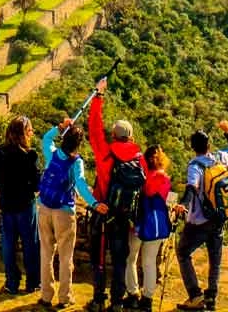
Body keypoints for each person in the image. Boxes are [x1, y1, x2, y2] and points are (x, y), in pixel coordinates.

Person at [87, 79, 147, 311]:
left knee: (99, 259)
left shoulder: (105, 153)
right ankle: (117, 302)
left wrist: (98, 97)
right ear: (130, 136)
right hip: (125, 218)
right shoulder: (138, 158)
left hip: (103, 211)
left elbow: (93, 128)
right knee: (120, 259)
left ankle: (98, 299)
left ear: (113, 135)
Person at [37, 119, 103, 309]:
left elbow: (46, 139)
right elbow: (81, 185)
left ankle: (46, 296)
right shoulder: (76, 163)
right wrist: (95, 203)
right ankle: (64, 297)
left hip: (44, 207)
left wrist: (59, 127)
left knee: (46, 253)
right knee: (66, 257)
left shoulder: (52, 155)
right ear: (78, 144)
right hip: (64, 212)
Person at [174, 121, 228, 310]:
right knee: (215, 258)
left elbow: (191, 188)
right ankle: (211, 298)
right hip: (219, 218)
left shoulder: (195, 165)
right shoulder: (219, 158)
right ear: (209, 145)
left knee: (183, 252)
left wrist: (183, 205)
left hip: (199, 221)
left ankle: (195, 295)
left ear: (192, 147)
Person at [0, 116, 43, 295]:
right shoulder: (30, 155)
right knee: (30, 244)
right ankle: (33, 282)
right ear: (23, 133)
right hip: (25, 205)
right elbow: (37, 185)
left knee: (8, 245)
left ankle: (11, 283)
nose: (32, 133)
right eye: (30, 130)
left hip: (6, 204)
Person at [125, 146, 175, 311]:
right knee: (149, 262)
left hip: (139, 223)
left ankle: (133, 294)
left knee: (131, 258)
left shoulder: (142, 177)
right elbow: (167, 200)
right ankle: (147, 300)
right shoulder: (165, 179)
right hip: (157, 224)